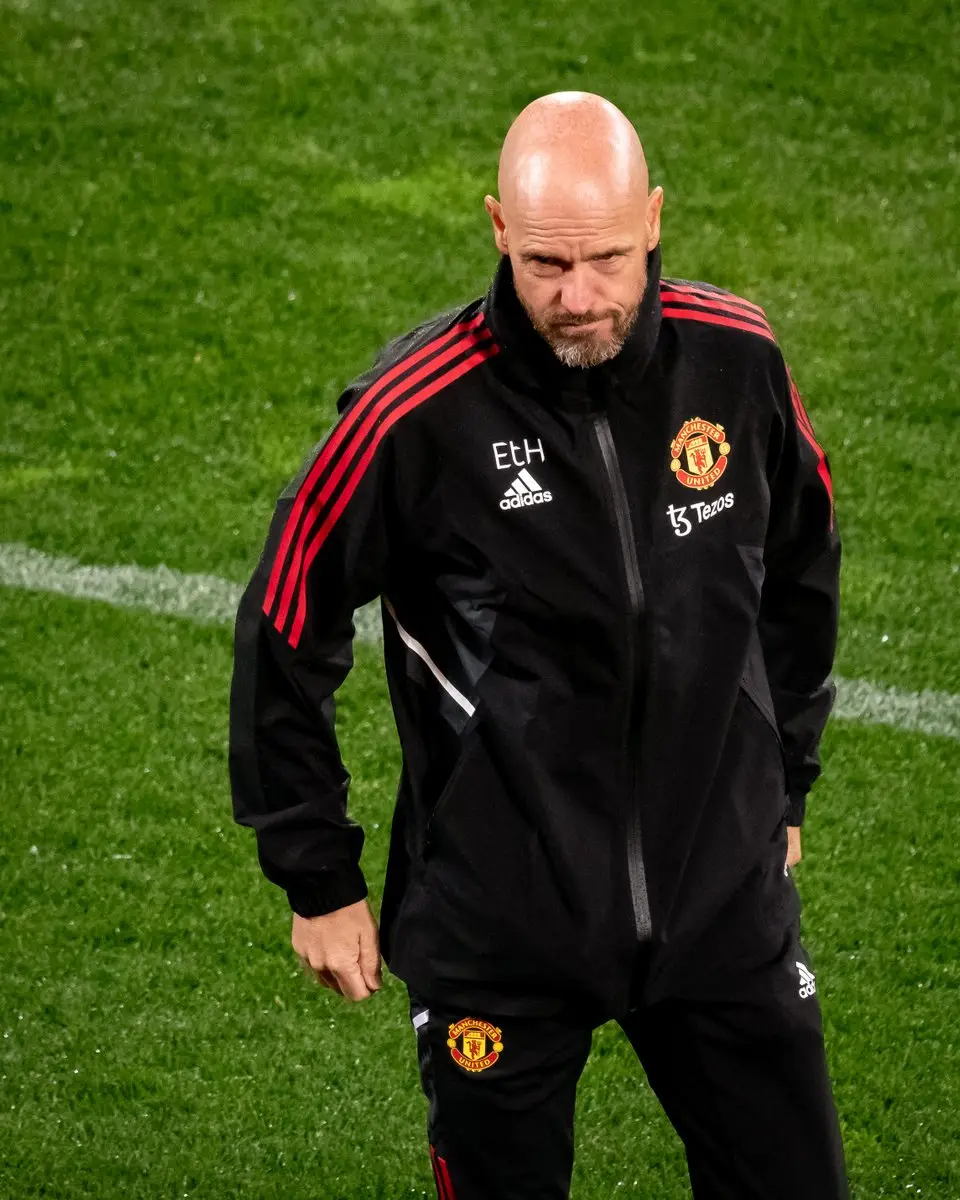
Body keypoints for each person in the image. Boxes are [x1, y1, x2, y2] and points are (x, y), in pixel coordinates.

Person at [230, 91, 847, 1199]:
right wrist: (316, 878)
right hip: (500, 928)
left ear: (653, 219)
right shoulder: (413, 413)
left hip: (721, 903)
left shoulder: (736, 358)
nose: (580, 298)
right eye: (547, 264)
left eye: (608, 259)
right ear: (498, 228)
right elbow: (285, 620)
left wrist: (785, 774)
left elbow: (804, 562)